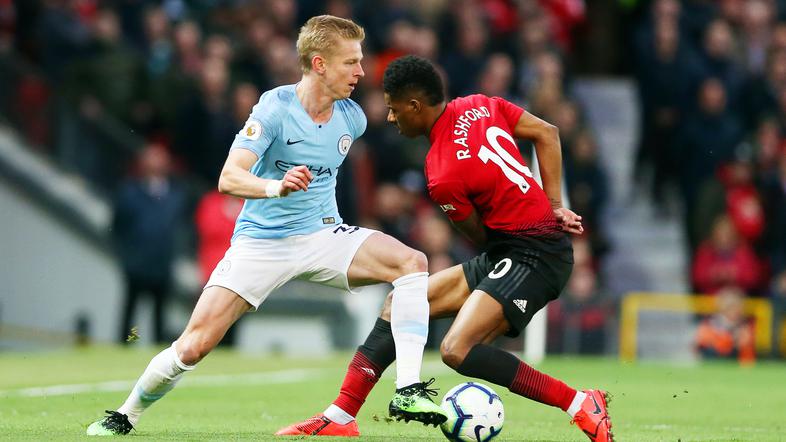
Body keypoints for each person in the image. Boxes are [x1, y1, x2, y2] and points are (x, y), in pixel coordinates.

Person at [87, 16, 446, 436]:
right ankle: (124, 415)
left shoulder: (353, 117)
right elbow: (229, 178)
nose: (361, 72)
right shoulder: (275, 107)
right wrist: (276, 187)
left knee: (412, 263)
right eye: (351, 62)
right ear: (319, 64)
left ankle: (407, 388)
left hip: (323, 234)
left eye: (360, 61)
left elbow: (408, 116)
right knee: (194, 345)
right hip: (262, 242)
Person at [278, 55, 614, 441]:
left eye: (393, 108)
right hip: (515, 250)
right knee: (400, 305)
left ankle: (579, 402)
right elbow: (548, 133)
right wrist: (553, 204)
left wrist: (530, 218)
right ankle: (341, 415)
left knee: (457, 349)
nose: (391, 118)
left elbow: (480, 236)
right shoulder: (480, 104)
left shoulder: (442, 172)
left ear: (415, 106)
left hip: (535, 255)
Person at [112, 143, 185, 344]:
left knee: (160, 313)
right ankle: (129, 342)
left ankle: (157, 348)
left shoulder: (175, 194)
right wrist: (126, 255)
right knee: (132, 311)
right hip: (136, 264)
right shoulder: (130, 192)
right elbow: (118, 226)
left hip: (161, 264)